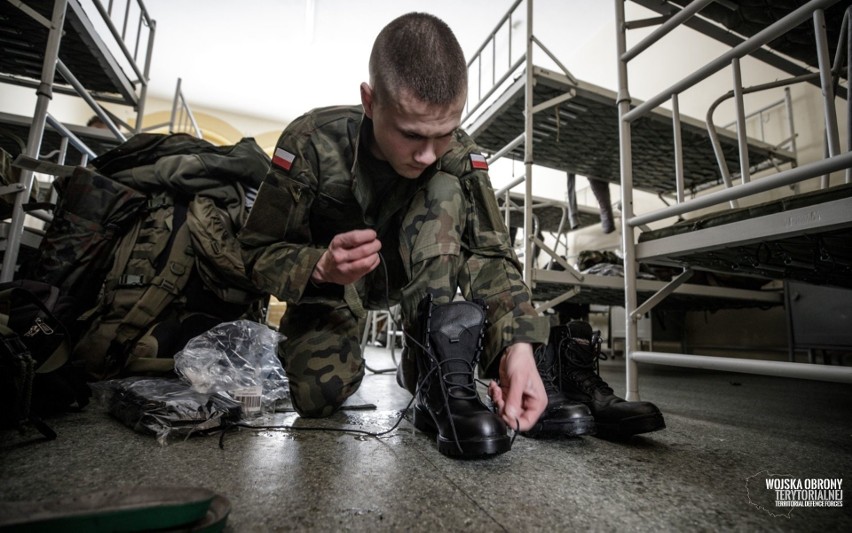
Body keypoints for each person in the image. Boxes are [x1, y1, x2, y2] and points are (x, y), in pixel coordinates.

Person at [239, 12, 596, 458]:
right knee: (317, 398)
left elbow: (489, 254)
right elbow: (255, 254)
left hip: (422, 284)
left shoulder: (458, 157)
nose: (427, 153)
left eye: (443, 133)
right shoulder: (311, 143)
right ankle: (374, 347)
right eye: (411, 135)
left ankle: (432, 361)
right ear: (370, 102)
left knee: (444, 188)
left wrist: (516, 345)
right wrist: (319, 267)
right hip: (332, 289)